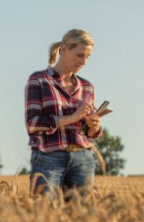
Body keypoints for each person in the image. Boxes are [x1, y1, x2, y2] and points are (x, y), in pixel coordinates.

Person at [25, 28, 102, 198]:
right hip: (48, 157)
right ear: (64, 49)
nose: (84, 61)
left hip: (83, 157)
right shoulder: (39, 80)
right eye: (80, 55)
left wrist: (94, 127)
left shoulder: (87, 87)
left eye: (88, 57)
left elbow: (88, 132)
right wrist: (72, 118)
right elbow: (32, 124)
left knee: (81, 218)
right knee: (43, 213)